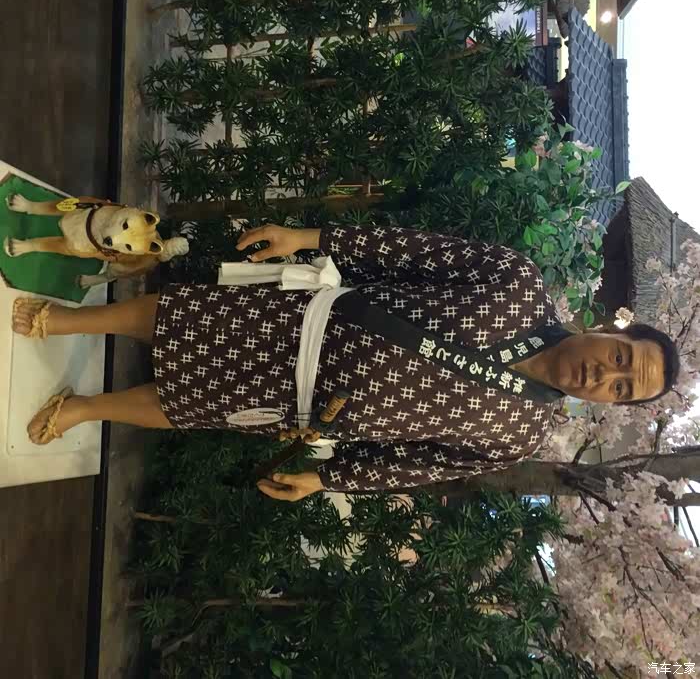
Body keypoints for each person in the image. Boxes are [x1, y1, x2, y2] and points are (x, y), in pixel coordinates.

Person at [12, 224, 679, 502]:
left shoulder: (521, 434)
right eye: (620, 358)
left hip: (312, 405)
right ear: (609, 329)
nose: (606, 376)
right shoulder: (517, 283)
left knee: (195, 406)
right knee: (187, 316)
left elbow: (416, 465)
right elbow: (409, 250)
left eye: (622, 389)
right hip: (315, 320)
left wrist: (328, 480)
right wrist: (309, 237)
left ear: (610, 404)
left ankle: (86, 409)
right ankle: (68, 320)